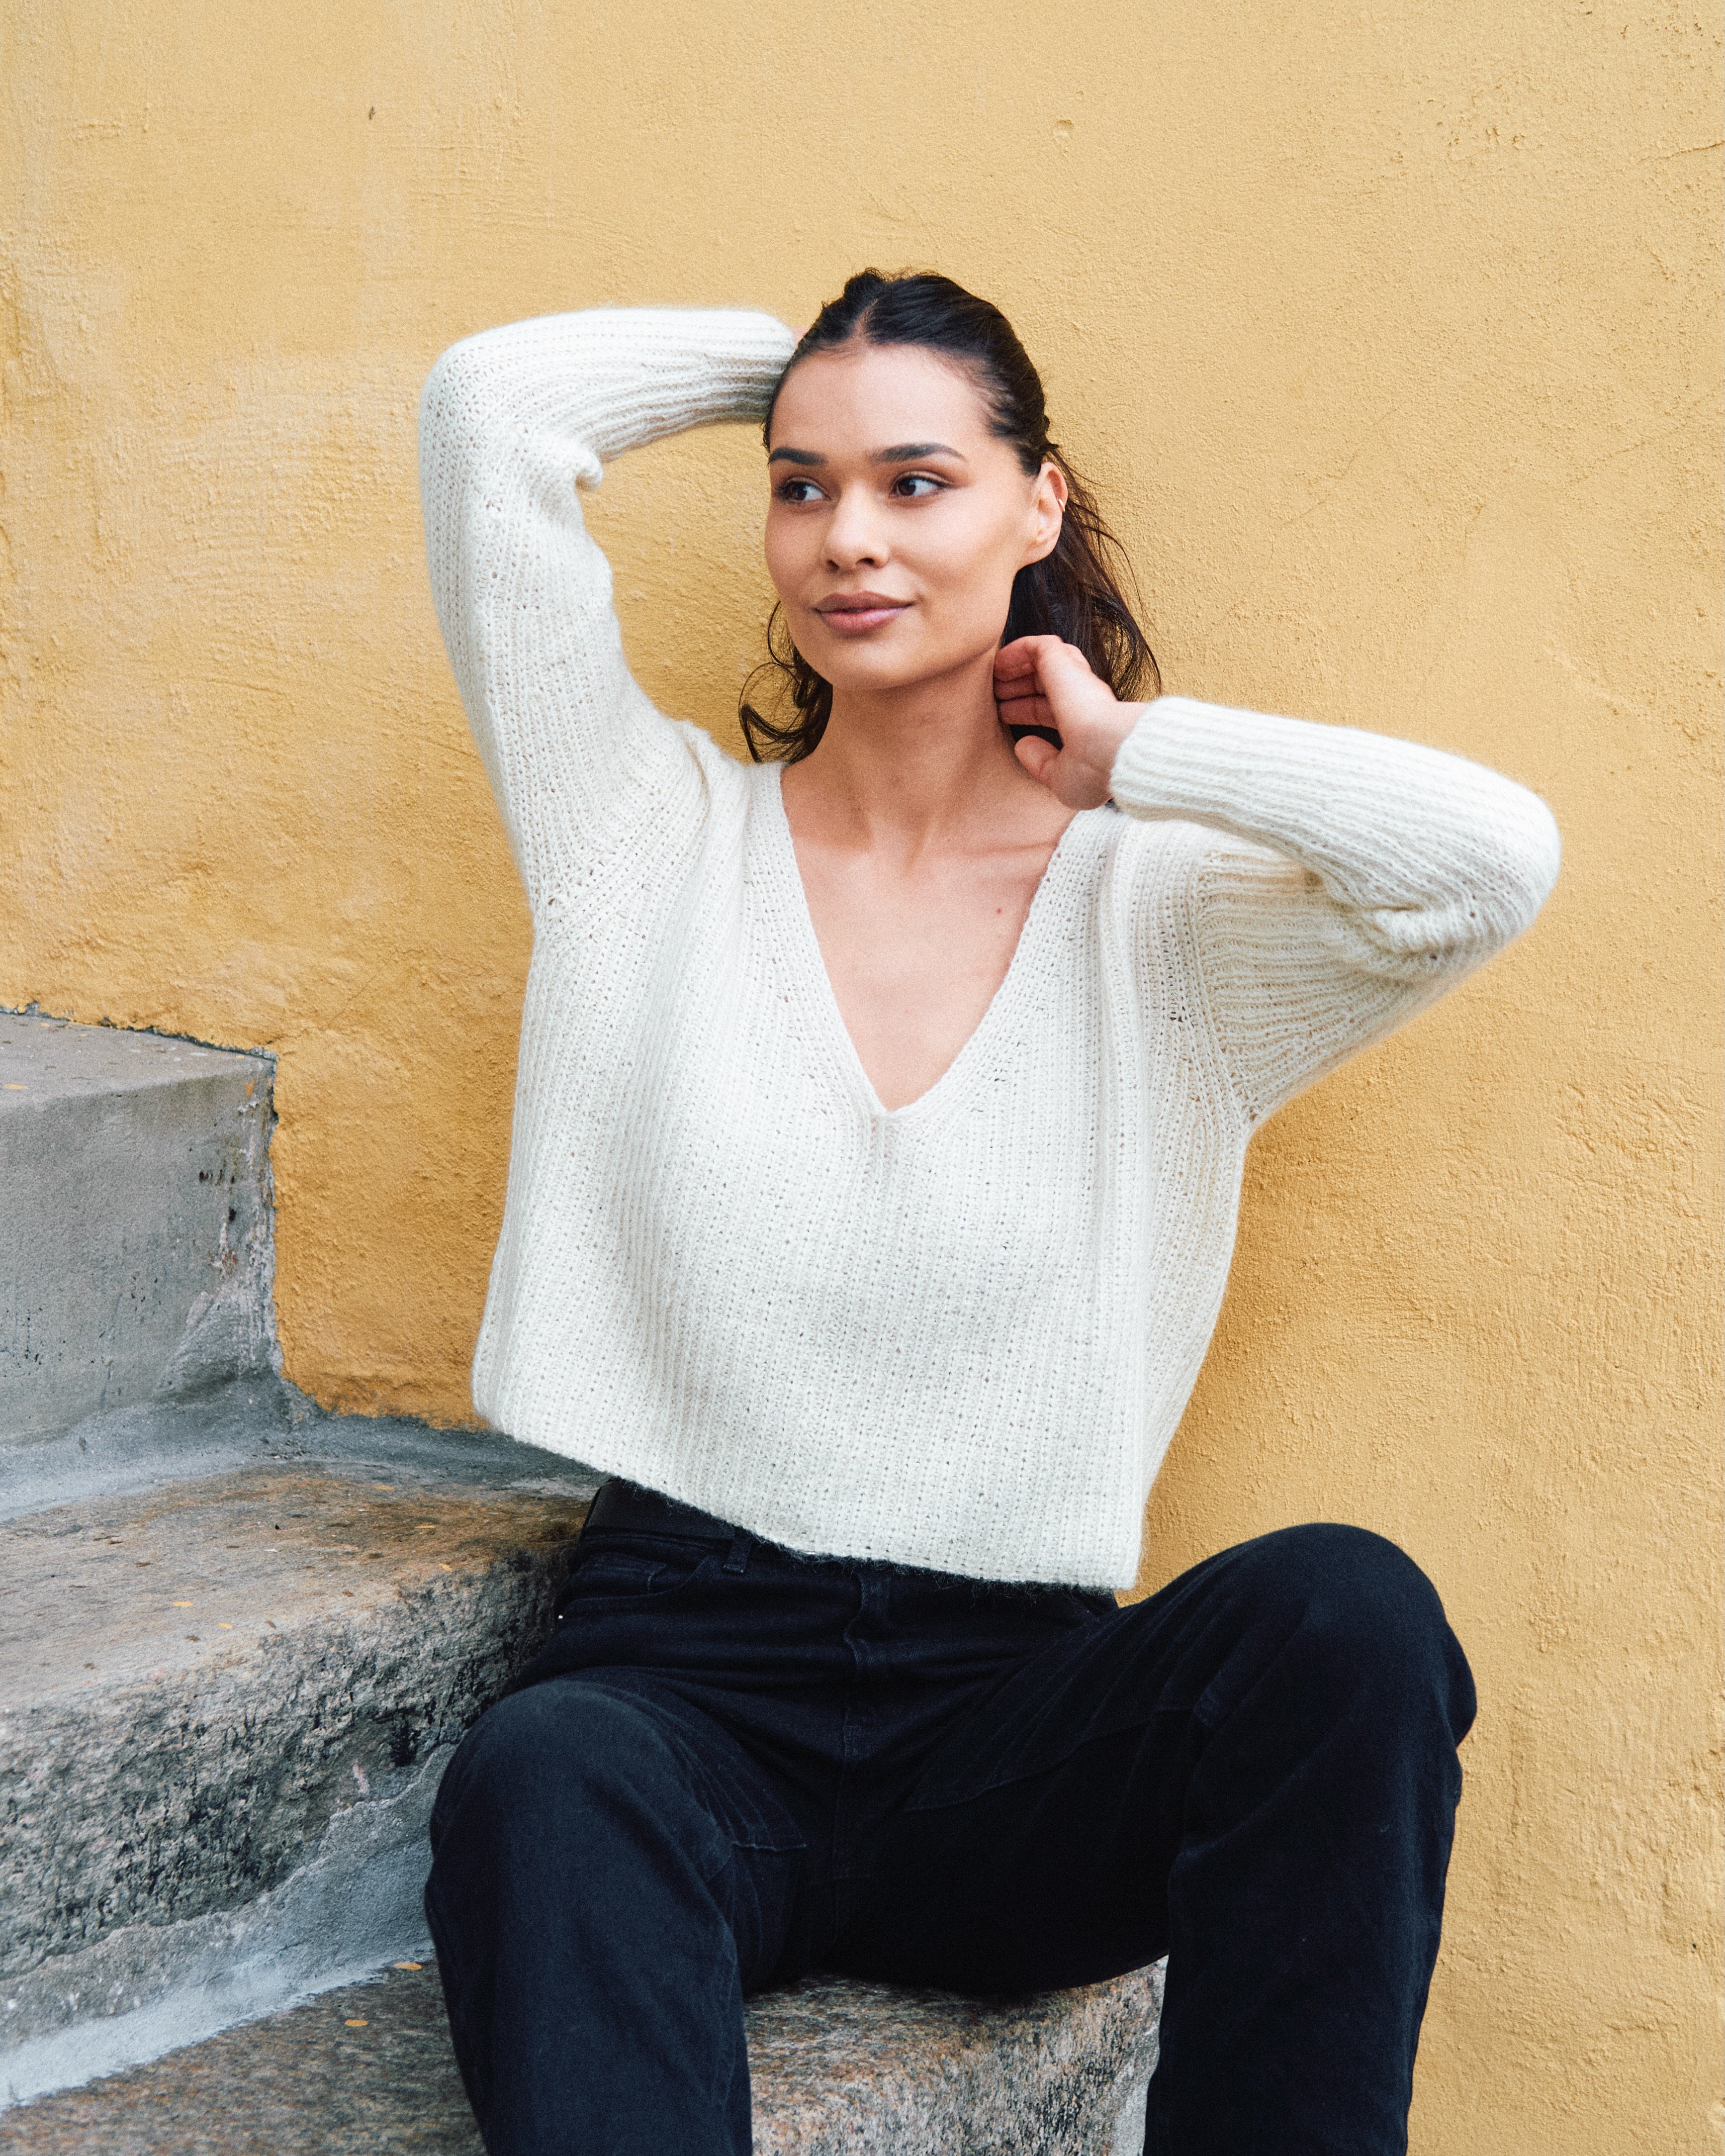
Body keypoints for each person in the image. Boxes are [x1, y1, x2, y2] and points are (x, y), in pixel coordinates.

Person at [416, 270, 1560, 2156]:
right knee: (543, 1774)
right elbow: (490, 413)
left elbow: (1488, 862)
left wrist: (1138, 759)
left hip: (1013, 1721)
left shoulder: (1163, 921)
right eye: (801, 484)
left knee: (1350, 1616)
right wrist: (802, 361)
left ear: (1040, 504)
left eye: (918, 481)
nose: (848, 537)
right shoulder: (642, 841)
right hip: (684, 1686)